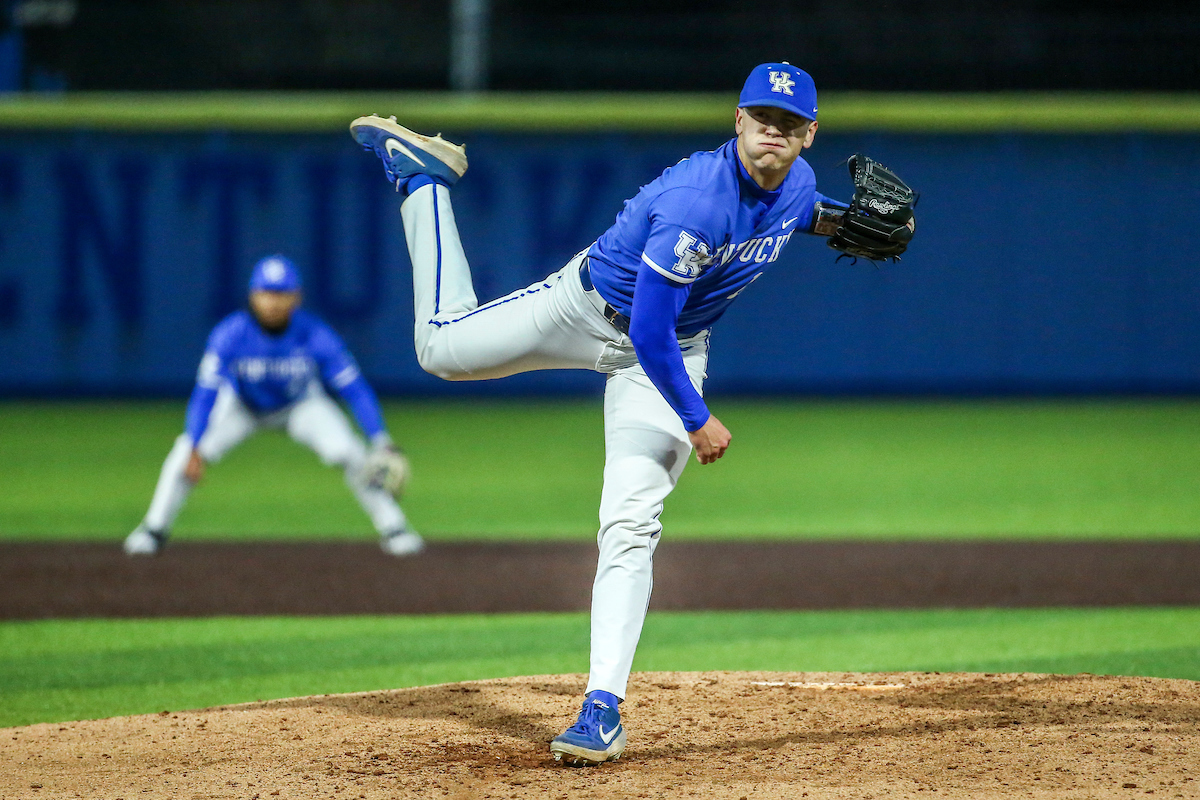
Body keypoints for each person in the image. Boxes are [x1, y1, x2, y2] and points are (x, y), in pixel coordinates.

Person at [352, 61, 860, 765]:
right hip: (586, 311)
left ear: (809, 134)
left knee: (630, 522)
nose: (774, 132)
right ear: (739, 120)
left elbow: (797, 209)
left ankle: (601, 708)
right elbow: (649, 329)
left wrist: (842, 221)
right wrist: (695, 417)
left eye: (789, 123)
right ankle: (423, 183)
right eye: (763, 118)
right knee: (439, 348)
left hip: (673, 349)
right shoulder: (696, 204)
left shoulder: (798, 181)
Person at [123, 254, 424, 558]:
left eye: (281, 293)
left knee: (350, 452)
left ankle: (394, 528)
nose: (273, 302)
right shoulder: (230, 334)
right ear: (253, 295)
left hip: (301, 405)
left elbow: (354, 389)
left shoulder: (315, 334)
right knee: (184, 452)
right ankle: (154, 529)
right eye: (266, 292)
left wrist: (381, 439)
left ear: (296, 297)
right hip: (240, 405)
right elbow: (205, 393)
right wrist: (195, 442)